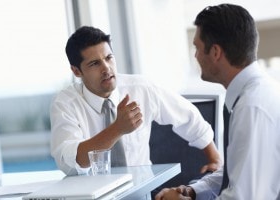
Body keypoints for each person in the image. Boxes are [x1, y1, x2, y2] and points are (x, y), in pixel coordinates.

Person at [50, 26, 221, 177]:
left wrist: (215, 159)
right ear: (76, 71)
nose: (106, 68)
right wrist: (118, 128)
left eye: (109, 58)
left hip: (142, 190)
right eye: (95, 64)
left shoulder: (140, 88)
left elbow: (188, 117)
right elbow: (71, 161)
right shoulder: (66, 104)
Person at [155, 3, 280, 200]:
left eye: (197, 47)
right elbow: (238, 170)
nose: (195, 55)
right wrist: (195, 190)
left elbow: (244, 197)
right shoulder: (253, 95)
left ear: (215, 52)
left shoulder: (252, 107)